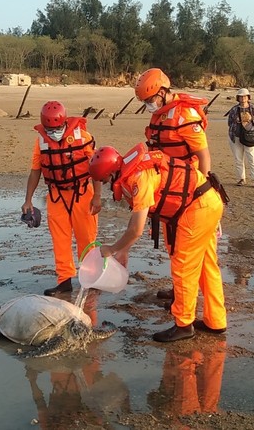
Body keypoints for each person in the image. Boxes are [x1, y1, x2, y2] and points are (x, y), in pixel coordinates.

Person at [88, 143, 227, 342]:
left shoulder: (139, 178)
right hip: (208, 201)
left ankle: (184, 325)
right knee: (206, 264)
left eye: (104, 180)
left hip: (198, 208)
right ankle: (216, 321)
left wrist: (112, 249)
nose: (107, 184)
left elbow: (136, 228)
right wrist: (123, 250)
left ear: (110, 174)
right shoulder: (133, 170)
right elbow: (137, 215)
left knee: (183, 266)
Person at [134, 67, 215, 302]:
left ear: (162, 91)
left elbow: (203, 155)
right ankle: (181, 288)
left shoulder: (186, 115)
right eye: (145, 101)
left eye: (150, 99)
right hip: (171, 188)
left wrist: (199, 193)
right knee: (175, 247)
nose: (148, 104)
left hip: (191, 191)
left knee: (200, 254)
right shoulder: (160, 115)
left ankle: (196, 306)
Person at [22, 101, 102, 296]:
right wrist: (28, 200)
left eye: (56, 129)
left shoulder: (82, 137)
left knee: (87, 239)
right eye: (49, 129)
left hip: (83, 194)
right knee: (60, 240)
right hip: (56, 196)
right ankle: (64, 281)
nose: (52, 133)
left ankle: (91, 279)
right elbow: (35, 171)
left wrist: (98, 196)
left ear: (64, 122)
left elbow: (97, 168)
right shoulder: (41, 141)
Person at [227, 88, 254, 188]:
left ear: (248, 97)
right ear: (238, 98)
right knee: (238, 159)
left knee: (253, 159)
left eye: (245, 96)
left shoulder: (253, 108)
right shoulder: (234, 109)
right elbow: (229, 123)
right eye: (241, 96)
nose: (243, 98)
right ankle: (241, 179)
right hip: (236, 136)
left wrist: (250, 120)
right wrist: (237, 121)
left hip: (250, 137)